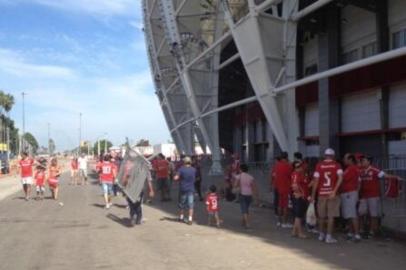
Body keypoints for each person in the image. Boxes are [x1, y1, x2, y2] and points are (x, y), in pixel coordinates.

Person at [358, 155, 400, 238]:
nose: (362, 162)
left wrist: (396, 177)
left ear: (369, 162)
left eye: (364, 160)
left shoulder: (374, 170)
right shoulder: (360, 171)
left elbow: (385, 176)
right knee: (361, 213)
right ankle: (361, 230)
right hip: (363, 196)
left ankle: (372, 231)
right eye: (362, 161)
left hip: (373, 195)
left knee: (373, 214)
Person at [311, 148, 343, 244]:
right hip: (332, 194)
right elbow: (341, 178)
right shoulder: (337, 165)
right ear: (333, 156)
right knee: (330, 216)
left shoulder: (319, 166)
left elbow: (316, 181)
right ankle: (329, 237)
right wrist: (334, 191)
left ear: (325, 155)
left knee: (321, 216)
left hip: (321, 194)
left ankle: (321, 235)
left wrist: (313, 195)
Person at [341, 153, 361, 242]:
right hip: (347, 193)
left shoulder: (352, 169)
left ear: (350, 160)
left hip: (350, 193)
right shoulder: (349, 168)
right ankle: (350, 232)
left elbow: (342, 179)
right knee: (349, 214)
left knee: (352, 214)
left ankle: (356, 235)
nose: (344, 160)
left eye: (345, 158)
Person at [234, 164, 258, 229]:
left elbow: (235, 185)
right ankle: (243, 221)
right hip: (249, 194)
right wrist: (255, 196)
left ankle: (247, 223)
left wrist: (237, 187)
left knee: (244, 209)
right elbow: (254, 187)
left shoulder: (239, 176)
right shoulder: (250, 177)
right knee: (246, 208)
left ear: (241, 169)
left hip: (242, 194)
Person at [174, 156, 196, 225]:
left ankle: (181, 217)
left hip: (183, 189)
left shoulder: (181, 169)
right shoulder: (194, 169)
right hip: (191, 189)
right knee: (191, 205)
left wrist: (175, 175)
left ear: (184, 162)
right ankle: (190, 219)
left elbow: (176, 178)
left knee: (182, 204)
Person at [273, 152, 293, 228]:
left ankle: (279, 221)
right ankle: (284, 222)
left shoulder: (277, 165)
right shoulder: (288, 166)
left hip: (278, 187)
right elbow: (291, 176)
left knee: (279, 205)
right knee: (285, 206)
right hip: (286, 188)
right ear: (286, 157)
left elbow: (275, 176)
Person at [291, 161, 309, 238]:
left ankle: (294, 231)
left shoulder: (297, 174)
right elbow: (295, 185)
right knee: (299, 216)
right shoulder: (296, 174)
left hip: (299, 196)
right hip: (299, 197)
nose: (301, 168)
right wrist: (299, 194)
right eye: (299, 167)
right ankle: (300, 233)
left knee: (297, 216)